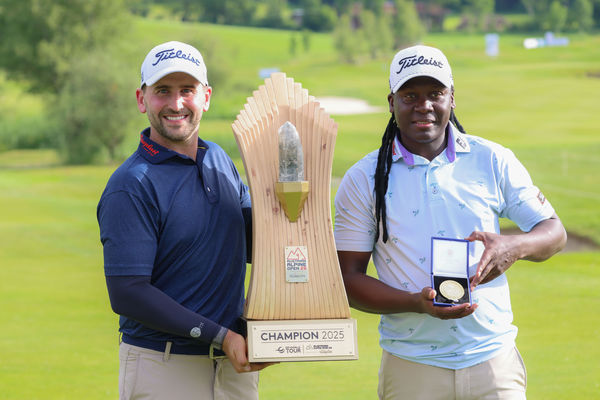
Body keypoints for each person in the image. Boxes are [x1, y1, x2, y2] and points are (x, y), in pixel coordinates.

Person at [334, 45, 567, 400]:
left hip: (493, 361)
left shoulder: (492, 159)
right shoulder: (364, 178)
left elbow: (554, 232)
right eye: (410, 95)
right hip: (412, 366)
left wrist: (513, 246)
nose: (424, 105)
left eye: (435, 93)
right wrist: (415, 302)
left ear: (452, 98)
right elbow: (347, 279)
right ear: (392, 102)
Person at [97, 41, 271, 400]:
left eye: (187, 90)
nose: (176, 104)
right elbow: (128, 292)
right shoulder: (131, 184)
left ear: (205, 97)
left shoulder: (219, 160)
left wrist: (286, 204)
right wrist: (220, 336)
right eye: (163, 90)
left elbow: (253, 245)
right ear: (142, 99)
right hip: (164, 367)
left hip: (233, 368)